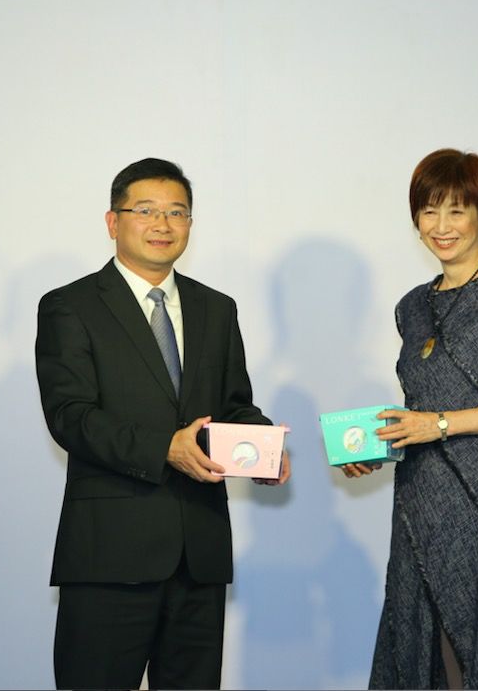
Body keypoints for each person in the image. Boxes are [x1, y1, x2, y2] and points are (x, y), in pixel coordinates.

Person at [35, 157, 290, 690]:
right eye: (146, 210)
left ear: (190, 224)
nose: (162, 224)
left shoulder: (216, 308)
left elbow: (234, 404)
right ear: (113, 222)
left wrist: (263, 447)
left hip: (199, 556)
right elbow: (71, 417)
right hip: (109, 556)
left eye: (177, 212)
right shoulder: (70, 306)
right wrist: (164, 448)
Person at [341, 148, 478, 689]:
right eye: (429, 211)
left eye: (457, 210)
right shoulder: (412, 306)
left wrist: (436, 425)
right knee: (417, 642)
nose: (441, 226)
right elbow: (422, 404)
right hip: (419, 496)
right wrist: (379, 446)